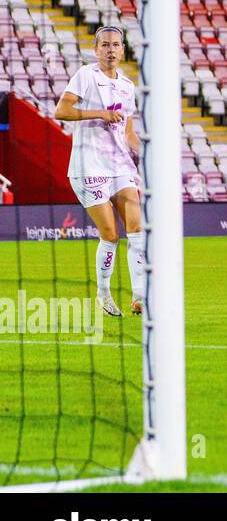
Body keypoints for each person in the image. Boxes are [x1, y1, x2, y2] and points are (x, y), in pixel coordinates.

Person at [52, 26, 144, 316]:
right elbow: (61, 111)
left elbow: (127, 133)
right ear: (96, 49)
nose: (111, 50)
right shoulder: (85, 76)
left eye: (116, 45)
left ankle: (140, 296)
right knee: (111, 234)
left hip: (119, 165)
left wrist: (146, 150)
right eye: (105, 45)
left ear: (123, 50)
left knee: (137, 227)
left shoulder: (128, 87)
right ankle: (103, 292)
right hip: (87, 164)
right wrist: (100, 113)